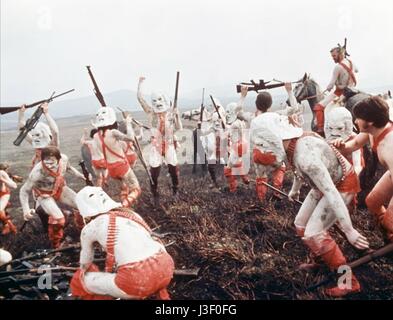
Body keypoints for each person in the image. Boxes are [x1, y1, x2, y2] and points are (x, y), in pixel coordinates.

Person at [251, 111, 369, 297]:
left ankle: (348, 282)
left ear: (273, 138)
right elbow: (298, 168)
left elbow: (332, 193)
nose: (260, 149)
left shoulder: (307, 158)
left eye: (261, 143)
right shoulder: (294, 143)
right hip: (324, 183)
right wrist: (295, 188)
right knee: (301, 224)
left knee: (314, 232)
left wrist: (349, 230)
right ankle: (321, 259)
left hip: (342, 186)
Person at [70, 186, 175, 300]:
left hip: (137, 279)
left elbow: (85, 263)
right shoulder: (132, 214)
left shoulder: (90, 228)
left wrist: (87, 271)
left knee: (83, 281)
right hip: (166, 267)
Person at [332, 96, 393, 243]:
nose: (355, 121)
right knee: (372, 202)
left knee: (390, 221)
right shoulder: (372, 131)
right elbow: (353, 145)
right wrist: (342, 146)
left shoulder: (389, 146)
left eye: (358, 118)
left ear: (369, 121)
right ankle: (390, 238)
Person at [19, 146, 87, 248]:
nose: (49, 166)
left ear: (58, 159)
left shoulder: (63, 159)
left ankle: (83, 232)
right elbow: (24, 190)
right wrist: (26, 210)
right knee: (59, 220)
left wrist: (81, 175)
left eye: (52, 163)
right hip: (44, 194)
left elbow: (68, 168)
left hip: (60, 188)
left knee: (83, 207)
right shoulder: (37, 173)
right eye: (46, 163)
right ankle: (56, 244)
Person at [137, 76, 182, 203]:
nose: (157, 102)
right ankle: (155, 195)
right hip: (155, 146)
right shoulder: (150, 112)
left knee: (173, 168)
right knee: (154, 172)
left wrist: (177, 117)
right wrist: (140, 84)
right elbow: (140, 99)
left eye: (160, 99)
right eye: (155, 100)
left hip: (169, 144)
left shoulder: (171, 114)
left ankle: (176, 191)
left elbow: (179, 128)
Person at [92, 107, 141, 207]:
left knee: (124, 190)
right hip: (121, 166)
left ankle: (128, 208)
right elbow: (131, 138)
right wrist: (128, 123)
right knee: (136, 189)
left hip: (111, 169)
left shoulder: (96, 136)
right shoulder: (113, 132)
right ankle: (123, 206)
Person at [313, 44, 358, 134]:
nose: (333, 58)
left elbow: (331, 85)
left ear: (340, 54)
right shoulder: (351, 62)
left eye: (334, 56)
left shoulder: (337, 67)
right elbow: (356, 70)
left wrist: (327, 89)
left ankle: (321, 129)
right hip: (353, 90)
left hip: (340, 92)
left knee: (318, 107)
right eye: (332, 56)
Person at [0, 163, 19, 235]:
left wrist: (2, 179)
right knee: (1, 212)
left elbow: (14, 186)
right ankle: (9, 225)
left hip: (3, 194)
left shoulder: (1, 173)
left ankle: (9, 226)